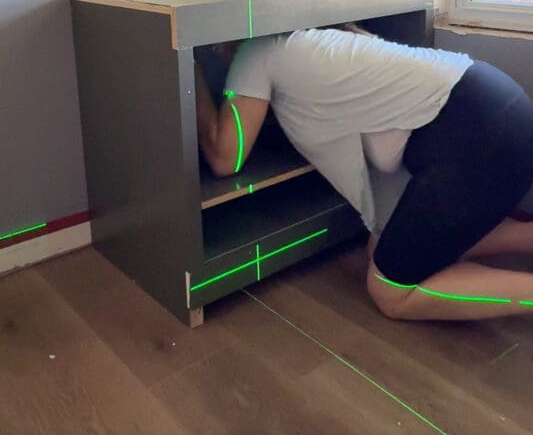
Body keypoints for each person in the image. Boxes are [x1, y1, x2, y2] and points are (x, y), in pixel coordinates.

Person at [194, 24, 533, 322]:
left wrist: (190, 80)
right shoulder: (329, 39)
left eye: (215, 45)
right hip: (503, 108)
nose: (218, 52)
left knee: (390, 291)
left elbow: (226, 157)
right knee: (385, 245)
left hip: (480, 141)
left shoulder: (256, 51)